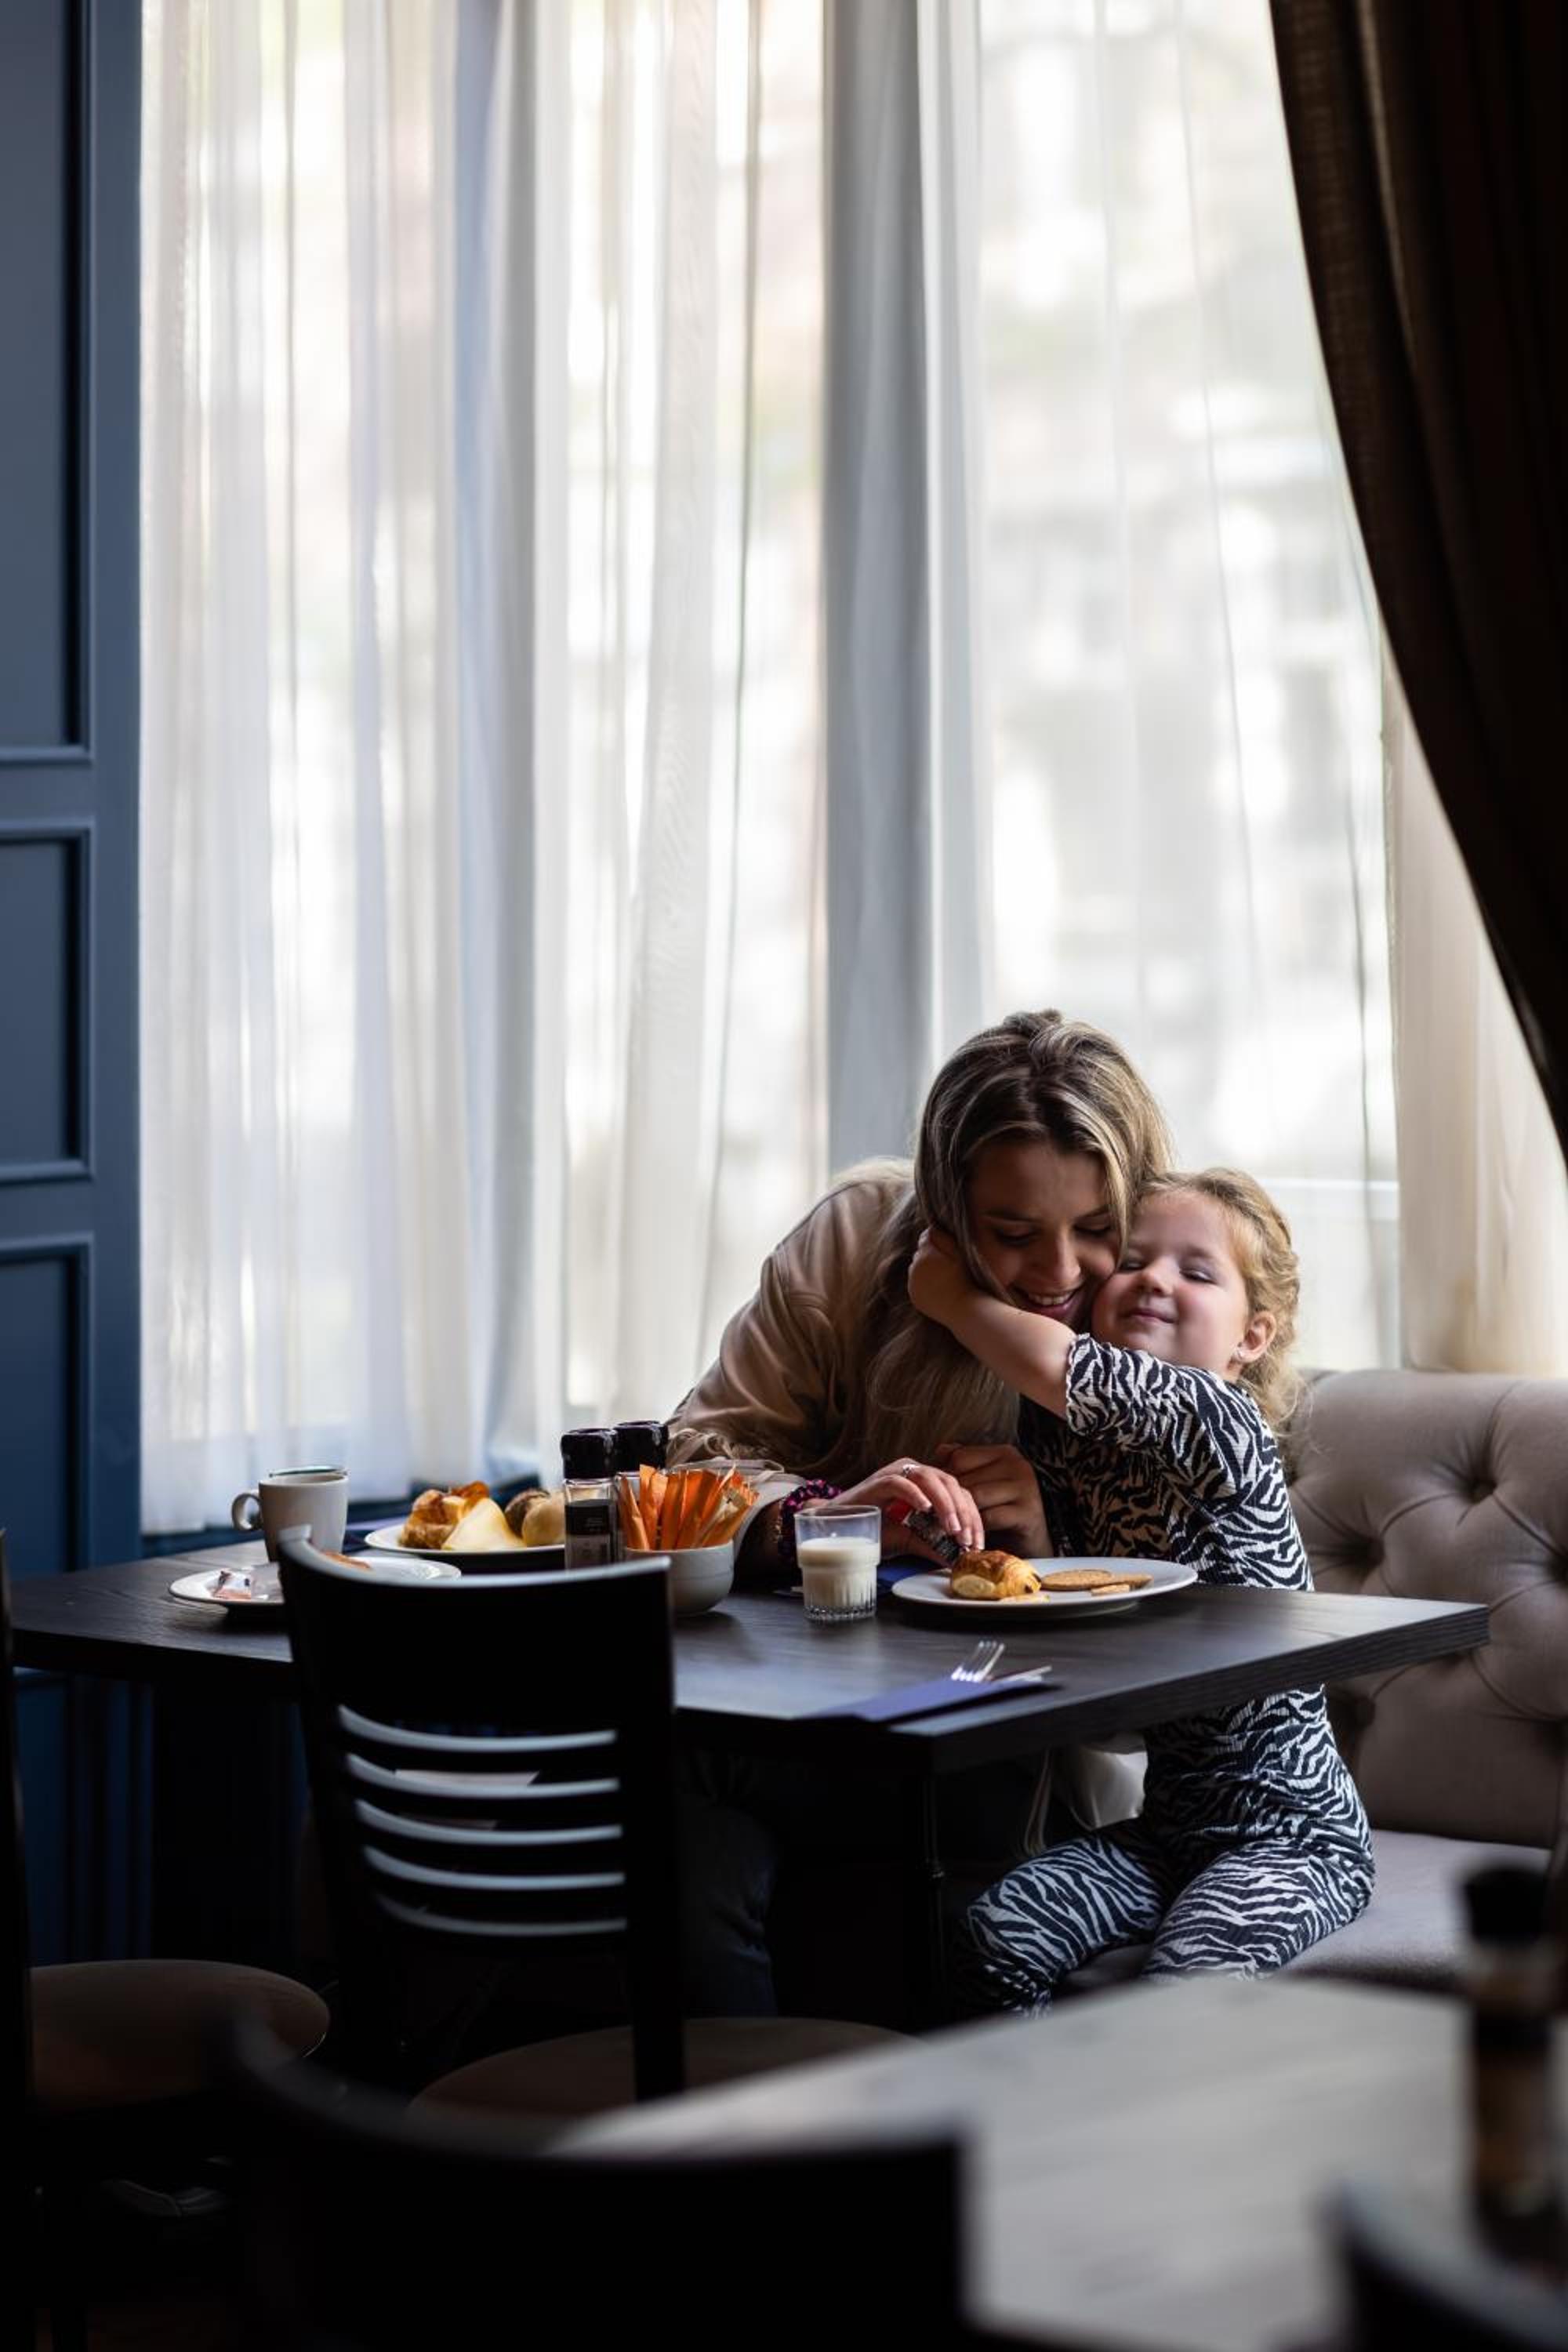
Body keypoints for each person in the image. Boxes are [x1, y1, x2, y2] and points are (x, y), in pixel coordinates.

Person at [667, 1010, 1174, 2016]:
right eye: (1012, 1234)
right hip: (822, 1711)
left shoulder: (1165, 1295)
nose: (1058, 1273)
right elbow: (689, 1456)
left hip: (1030, 1759)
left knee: (686, 1786)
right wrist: (821, 1519)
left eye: (1094, 1230)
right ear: (943, 1207)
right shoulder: (856, 1240)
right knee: (699, 1845)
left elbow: (1195, 1639)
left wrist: (1053, 1548)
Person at [907, 1167, 1374, 2011]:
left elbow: (1062, 1366)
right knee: (991, 1937)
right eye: (1131, 1260)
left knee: (1187, 1981)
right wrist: (1033, 1541)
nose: (1154, 1279)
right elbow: (1079, 1608)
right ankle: (1034, 2099)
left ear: (1250, 1338)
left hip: (1293, 1836)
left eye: (1196, 1272)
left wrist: (949, 1297)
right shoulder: (1071, 1445)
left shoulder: (1221, 1421)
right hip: (1167, 1829)